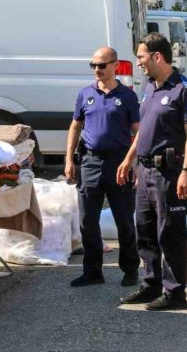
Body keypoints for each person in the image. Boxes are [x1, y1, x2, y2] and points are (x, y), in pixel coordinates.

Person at [118, 33, 187, 311]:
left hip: (169, 172)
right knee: (146, 232)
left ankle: (176, 293)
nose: (138, 62)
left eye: (141, 56)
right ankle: (150, 284)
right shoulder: (149, 86)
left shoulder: (183, 88)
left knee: (171, 234)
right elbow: (144, 130)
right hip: (145, 170)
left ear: (157, 56)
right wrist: (129, 159)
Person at [65, 47, 141, 287]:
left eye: (102, 65)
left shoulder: (127, 96)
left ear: (115, 65)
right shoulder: (85, 94)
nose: (97, 70)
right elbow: (75, 126)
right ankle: (92, 271)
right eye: (94, 66)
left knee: (124, 220)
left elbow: (139, 131)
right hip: (90, 162)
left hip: (119, 163)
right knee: (87, 220)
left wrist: (132, 161)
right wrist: (69, 159)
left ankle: (130, 270)